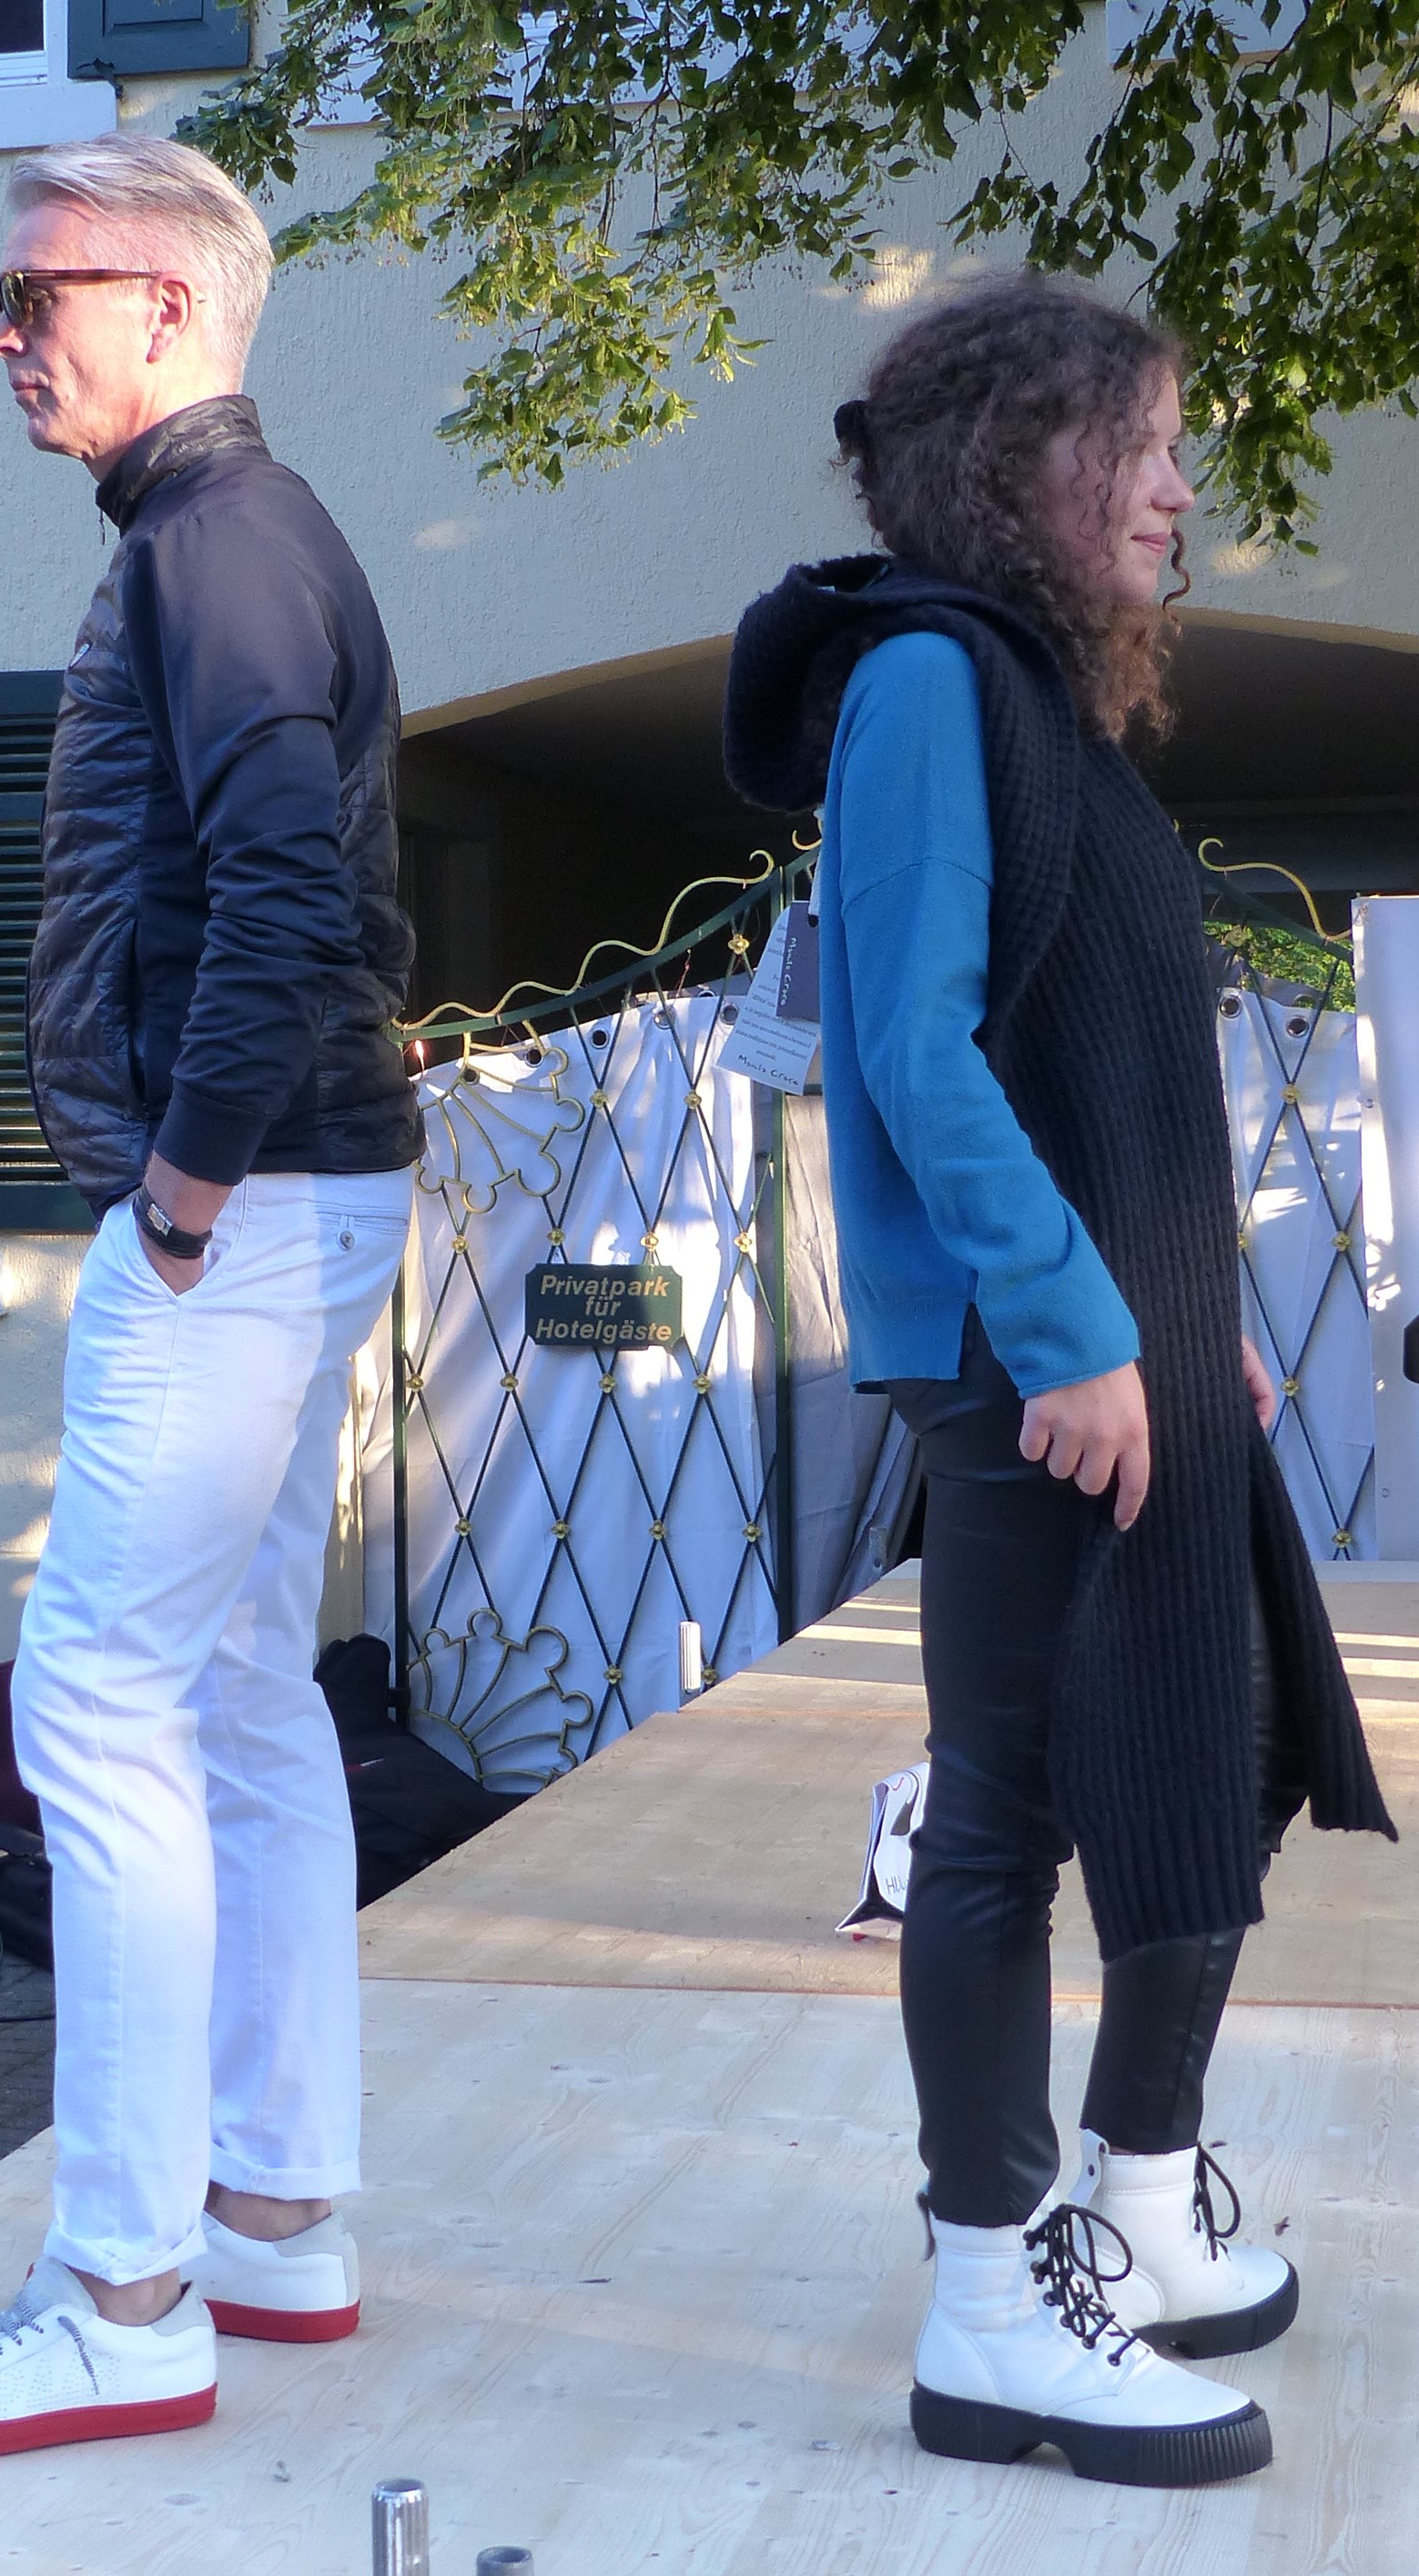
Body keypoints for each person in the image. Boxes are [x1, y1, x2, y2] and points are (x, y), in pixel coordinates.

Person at [724, 272, 1394, 2490]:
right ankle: (993, 2306)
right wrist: (1072, 1326)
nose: (1180, 489)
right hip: (1028, 1369)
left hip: (1117, 1342)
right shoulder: (928, 678)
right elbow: (911, 1050)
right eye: (1148, 444)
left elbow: (1083, 1058)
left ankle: (1137, 2194)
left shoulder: (1039, 698)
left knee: (1224, 1739)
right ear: (1023, 465)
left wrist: (1175, 1310)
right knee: (1001, 1822)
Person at [0, 134, 422, 2460]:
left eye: (35, 294)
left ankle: (120, 2290)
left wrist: (179, 1180)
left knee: (98, 1707)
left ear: (168, 304)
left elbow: (287, 886)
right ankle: (273, 2218)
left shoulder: (219, 544)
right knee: (245, 1696)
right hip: (290, 1199)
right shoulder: (219, 535)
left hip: (237, 1209)